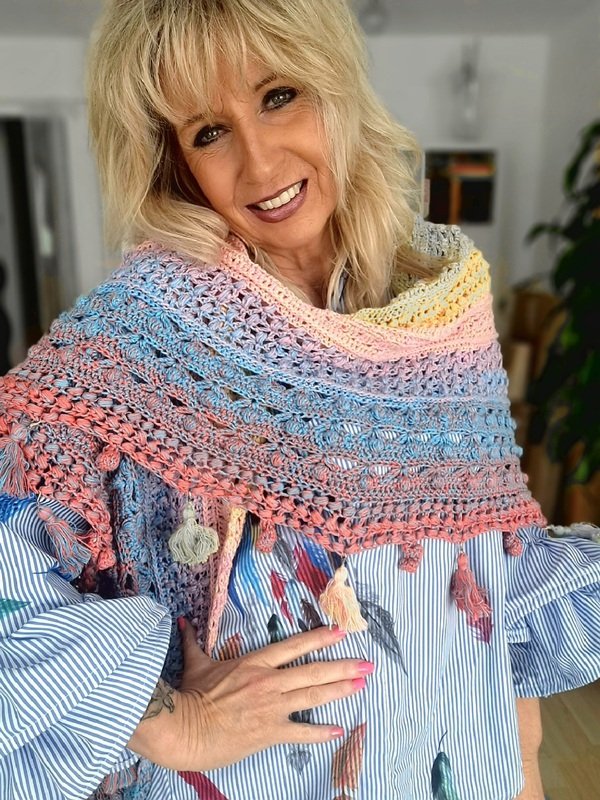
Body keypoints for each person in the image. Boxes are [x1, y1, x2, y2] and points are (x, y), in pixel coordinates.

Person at [0, 1, 598, 798]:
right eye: (209, 132)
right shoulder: (139, 335)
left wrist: (520, 768)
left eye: (278, 96)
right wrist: (170, 722)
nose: (259, 163)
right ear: (174, 161)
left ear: (334, 86)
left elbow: (490, 565)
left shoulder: (440, 307)